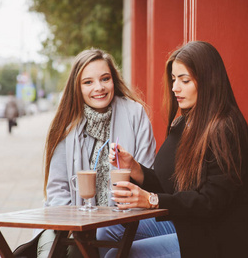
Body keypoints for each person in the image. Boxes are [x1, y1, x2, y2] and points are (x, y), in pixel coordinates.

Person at [99, 41, 248, 257]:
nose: (175, 88)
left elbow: (210, 202)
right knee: (106, 230)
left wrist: (151, 200)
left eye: (184, 80)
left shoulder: (226, 127)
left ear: (208, 81)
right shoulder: (185, 123)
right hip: (187, 223)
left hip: (217, 238)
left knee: (117, 255)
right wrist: (135, 168)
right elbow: (169, 186)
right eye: (174, 79)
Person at [36, 48, 158, 257]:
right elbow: (57, 192)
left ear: (114, 80)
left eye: (105, 79)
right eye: (88, 82)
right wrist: (78, 224)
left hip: (126, 223)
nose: (99, 88)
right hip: (74, 225)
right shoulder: (66, 124)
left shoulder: (135, 114)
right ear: (77, 87)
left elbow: (150, 175)